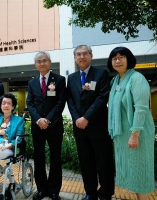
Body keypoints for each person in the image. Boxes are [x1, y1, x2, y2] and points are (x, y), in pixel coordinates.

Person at [67, 45, 114, 200]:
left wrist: (86, 118)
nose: (81, 57)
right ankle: (90, 193)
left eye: (85, 54)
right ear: (75, 58)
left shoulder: (101, 74)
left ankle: (106, 193)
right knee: (86, 163)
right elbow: (71, 101)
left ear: (91, 56)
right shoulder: (72, 77)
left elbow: (102, 97)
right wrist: (77, 119)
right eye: (78, 54)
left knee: (103, 162)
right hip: (80, 129)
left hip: (98, 126)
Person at [107, 47, 155, 200]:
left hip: (137, 133)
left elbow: (141, 108)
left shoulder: (136, 78)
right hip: (123, 134)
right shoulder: (115, 80)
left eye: (122, 57)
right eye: (114, 58)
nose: (118, 60)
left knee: (140, 172)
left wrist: (135, 134)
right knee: (131, 170)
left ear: (129, 59)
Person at [26, 51, 66, 200]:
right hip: (38, 127)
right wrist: (38, 120)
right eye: (38, 61)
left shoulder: (60, 80)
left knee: (55, 158)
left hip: (54, 125)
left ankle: (54, 190)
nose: (41, 63)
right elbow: (30, 103)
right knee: (39, 158)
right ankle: (42, 189)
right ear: (35, 64)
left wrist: (48, 119)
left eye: (44, 60)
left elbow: (61, 101)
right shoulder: (32, 82)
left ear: (49, 62)